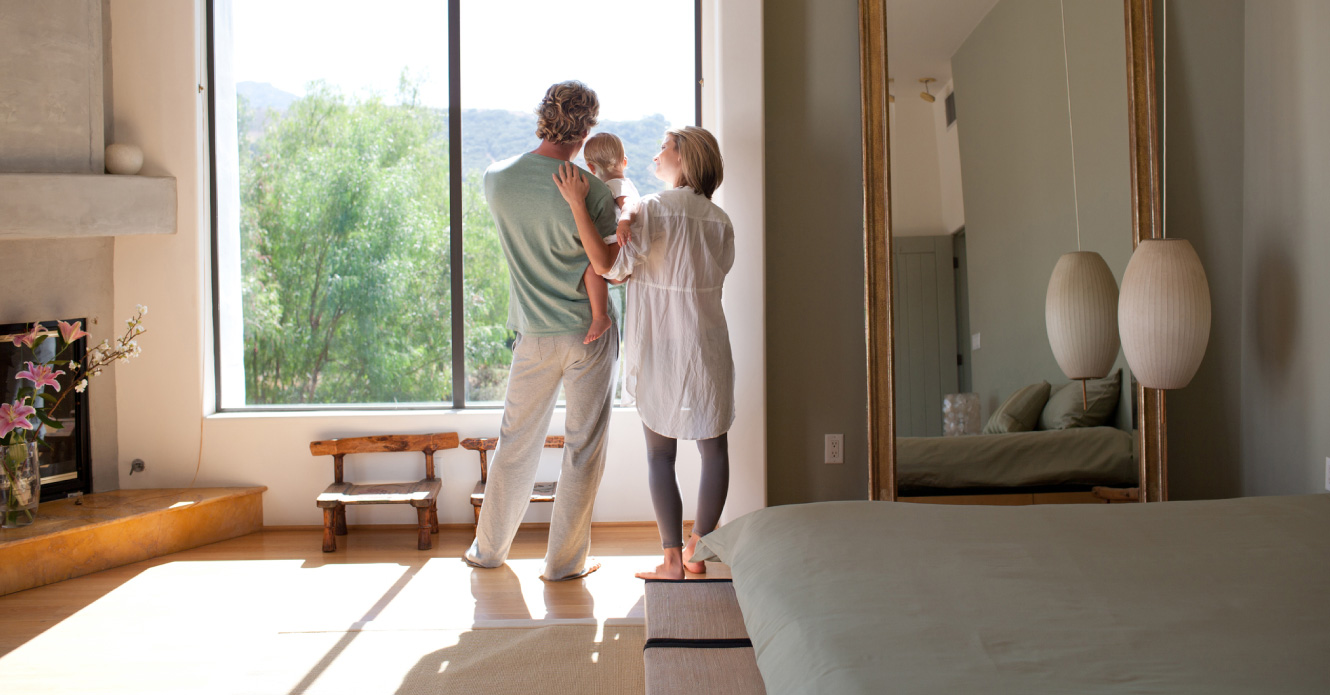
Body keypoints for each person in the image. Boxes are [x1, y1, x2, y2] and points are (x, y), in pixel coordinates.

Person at [553, 125, 735, 580]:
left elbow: (610, 268)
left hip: (661, 346)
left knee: (660, 456)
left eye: (665, 147)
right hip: (709, 345)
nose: (657, 154)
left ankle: (673, 560)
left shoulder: (652, 210)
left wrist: (578, 205)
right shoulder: (720, 221)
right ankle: (698, 550)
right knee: (714, 451)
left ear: (685, 158)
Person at [464, 81, 620, 582]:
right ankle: (564, 564)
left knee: (515, 443)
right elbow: (603, 265)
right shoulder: (591, 191)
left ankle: (488, 552)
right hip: (587, 335)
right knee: (583, 447)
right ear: (587, 127)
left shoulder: (496, 179)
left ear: (542, 117)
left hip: (532, 334)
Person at [582, 132, 641, 219]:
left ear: (591, 167)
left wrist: (624, 222)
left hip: (625, 231)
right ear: (624, 162)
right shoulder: (624, 184)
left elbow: (628, 205)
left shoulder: (615, 185)